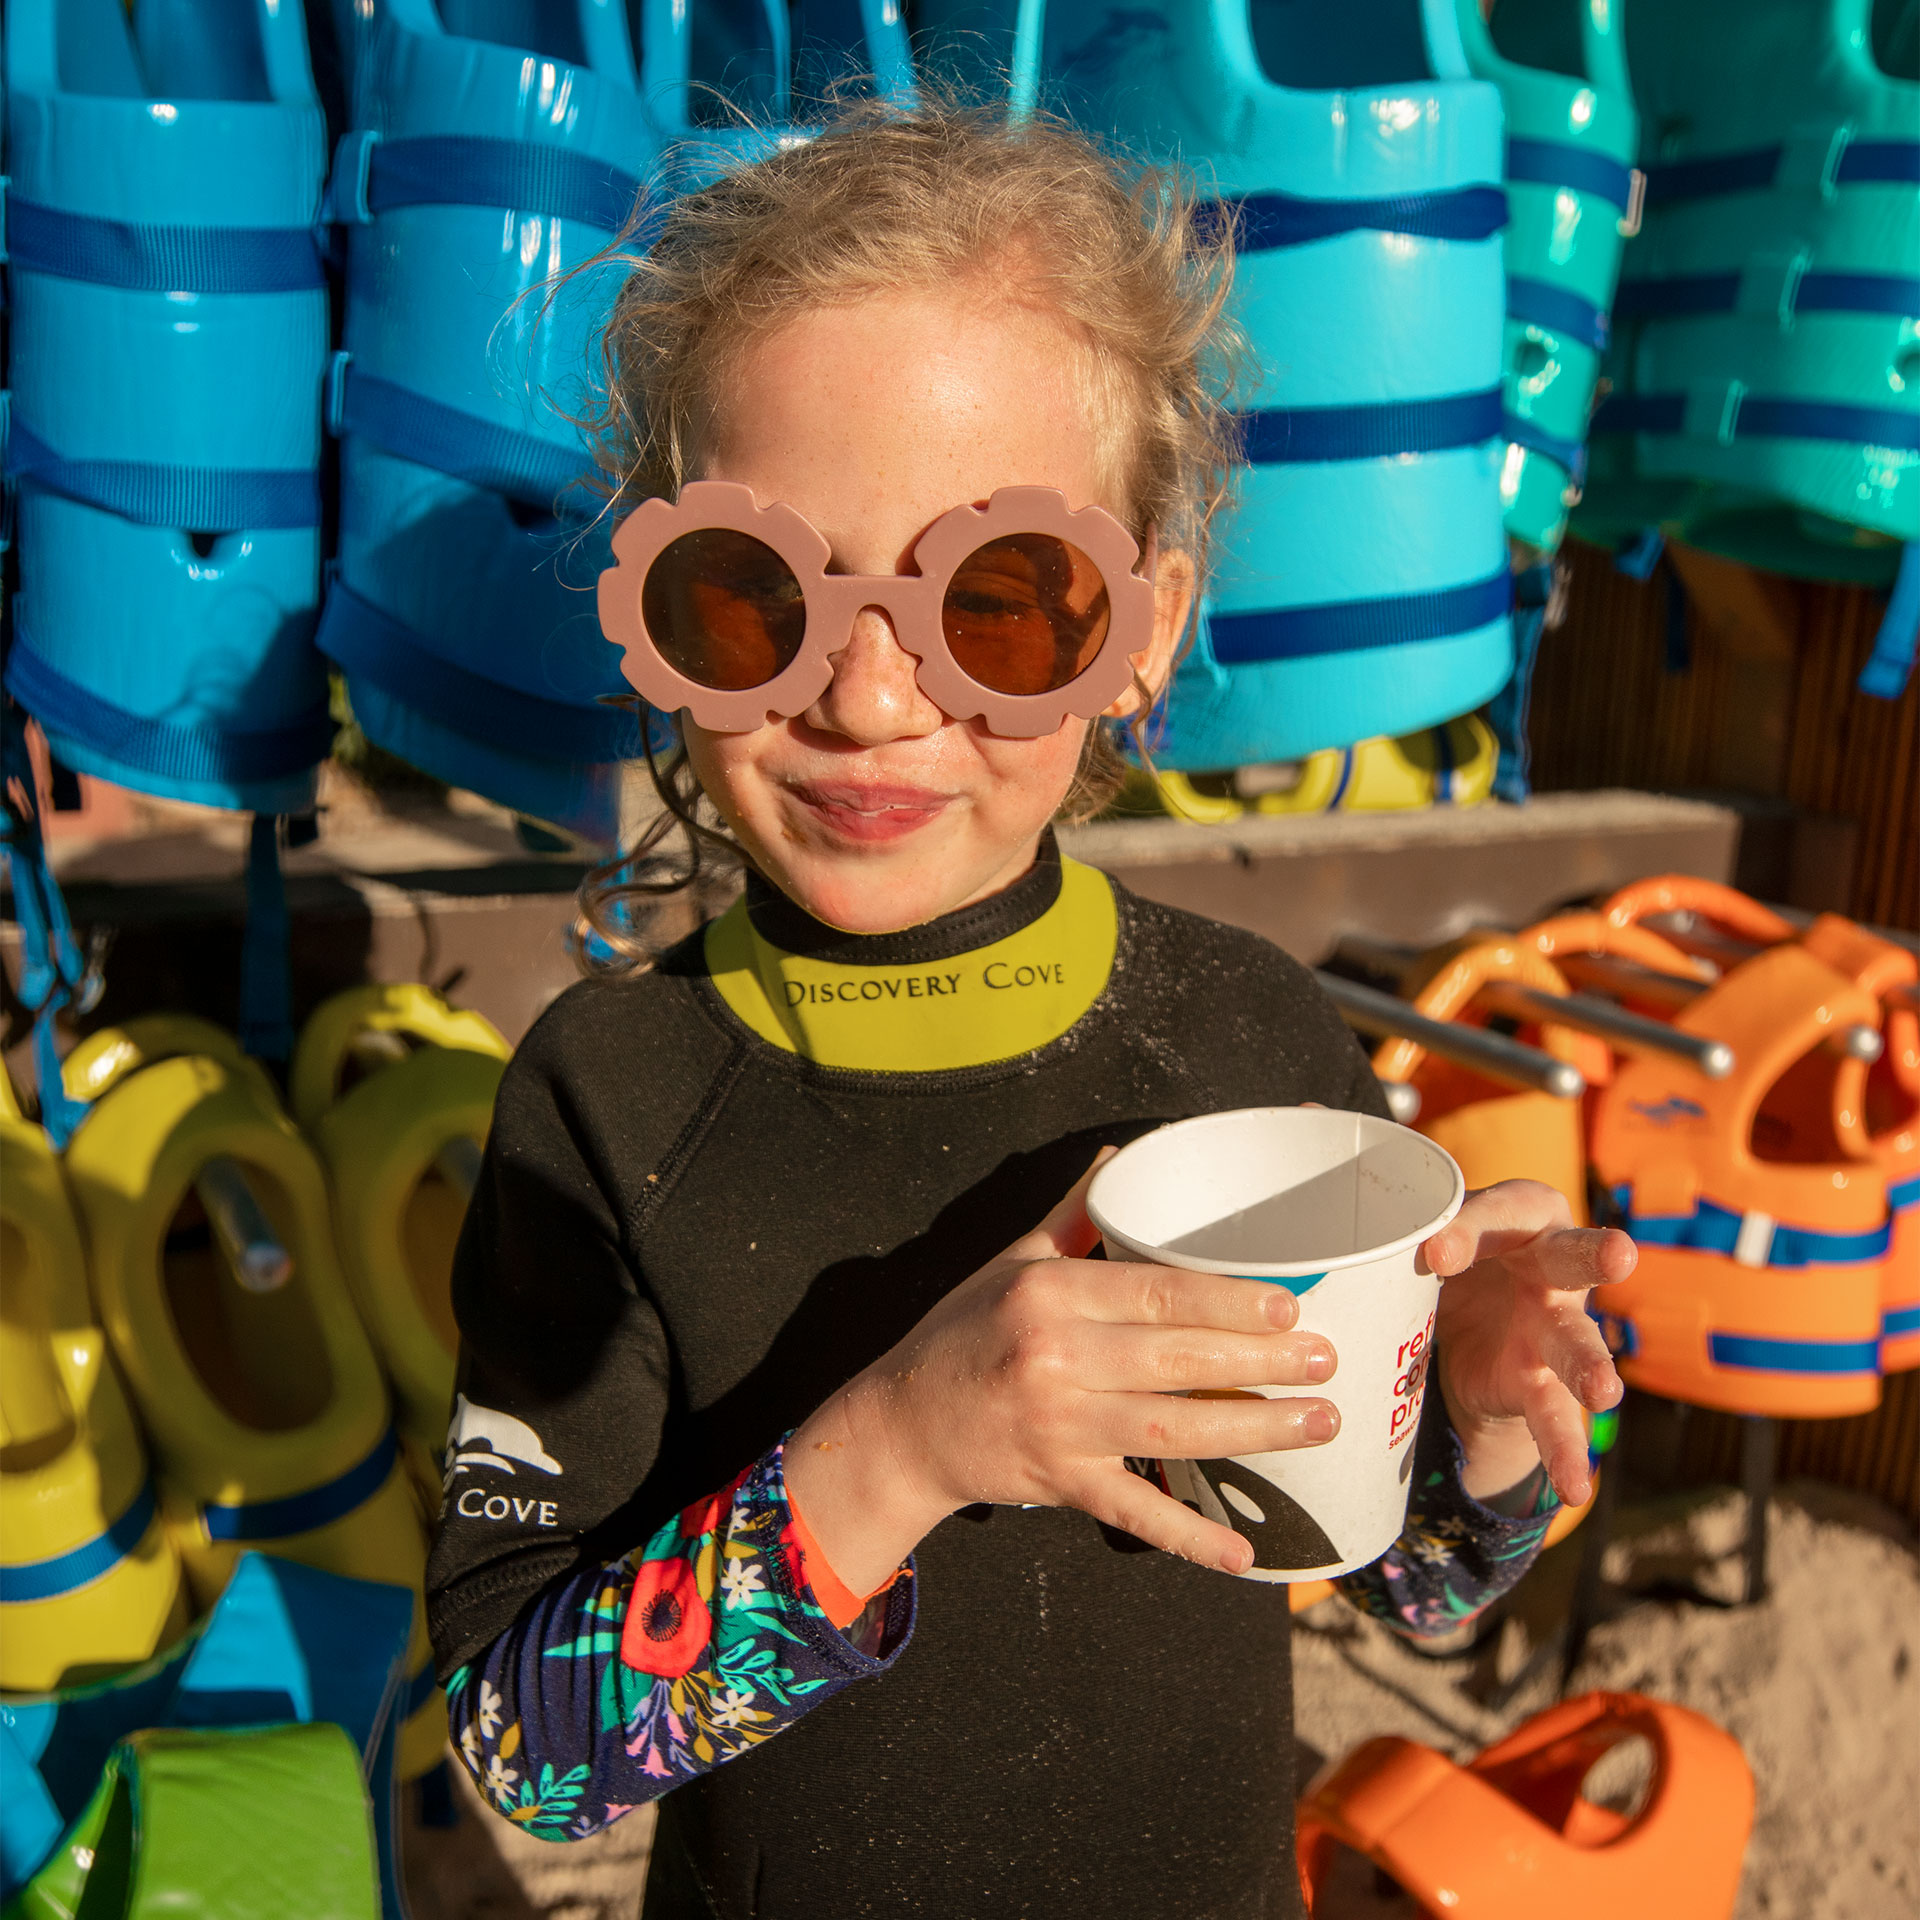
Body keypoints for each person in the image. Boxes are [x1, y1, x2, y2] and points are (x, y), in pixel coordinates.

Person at [426, 99, 1632, 1919]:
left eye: (996, 600)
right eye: (758, 596)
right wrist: (900, 1446)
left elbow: (1419, 1592)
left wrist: (1471, 1414)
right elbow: (528, 1743)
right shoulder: (612, 1102)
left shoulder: (1256, 1047)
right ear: (656, 602)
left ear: (1148, 626)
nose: (868, 698)